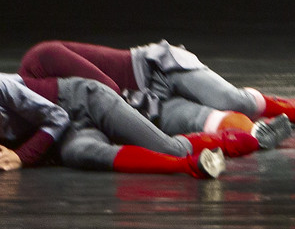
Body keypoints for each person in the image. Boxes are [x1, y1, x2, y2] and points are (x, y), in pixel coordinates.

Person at [16, 40, 295, 146]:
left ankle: (282, 106)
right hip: (144, 108)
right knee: (206, 121)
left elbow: (107, 89)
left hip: (154, 68)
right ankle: (259, 134)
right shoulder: (30, 121)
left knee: (230, 100)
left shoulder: (39, 59)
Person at [3, 72, 227, 179]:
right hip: (67, 134)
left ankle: (238, 137)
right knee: (82, 153)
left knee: (172, 148)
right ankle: (190, 165)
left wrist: (22, 156)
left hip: (86, 101)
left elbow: (56, 116)